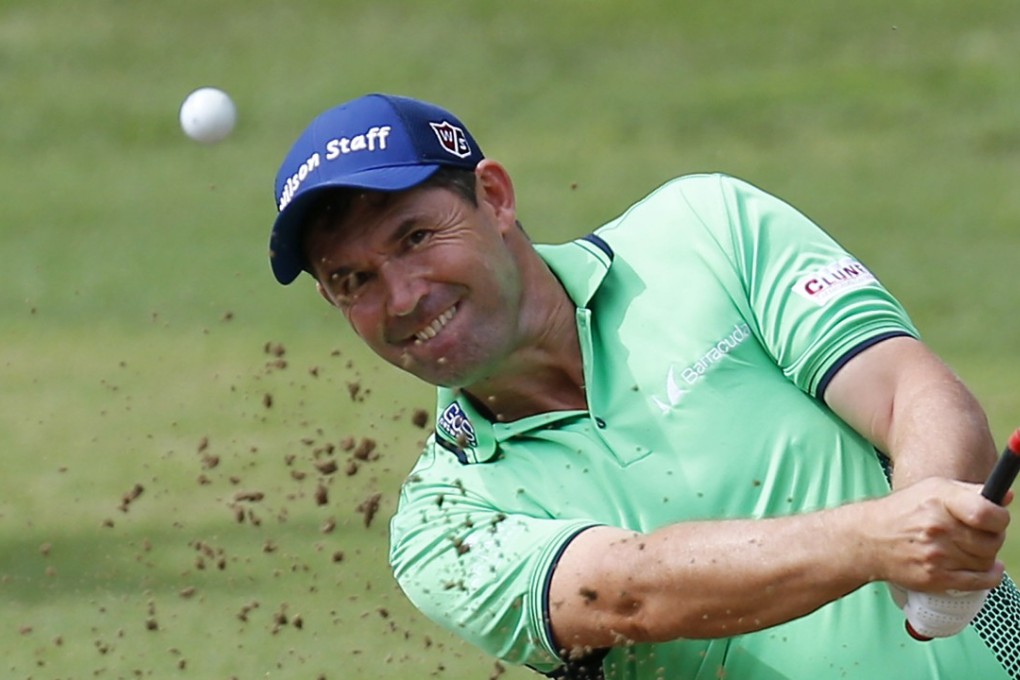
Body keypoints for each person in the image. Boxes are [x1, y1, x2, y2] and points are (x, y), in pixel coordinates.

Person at [267, 93, 1020, 679]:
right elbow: (633, 591)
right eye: (353, 280)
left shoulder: (703, 230)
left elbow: (909, 393)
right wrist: (877, 542)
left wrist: (936, 532)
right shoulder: (443, 527)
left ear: (494, 198)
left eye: (416, 237)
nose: (401, 298)